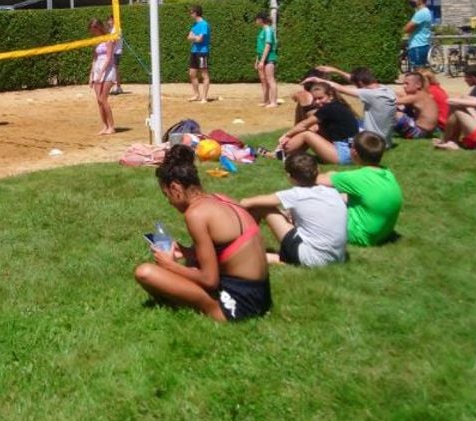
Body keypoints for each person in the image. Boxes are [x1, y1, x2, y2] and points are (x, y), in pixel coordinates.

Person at [134, 145, 270, 321]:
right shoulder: (221, 199)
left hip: (240, 304)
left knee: (144, 272)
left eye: (166, 195)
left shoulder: (195, 214)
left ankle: (189, 306)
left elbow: (209, 279)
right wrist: (186, 252)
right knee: (191, 264)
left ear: (176, 189)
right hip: (261, 295)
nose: (169, 202)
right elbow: (227, 252)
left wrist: (170, 265)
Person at [240, 153, 347, 267]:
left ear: (289, 176)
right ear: (318, 170)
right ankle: (277, 258)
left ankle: (241, 248)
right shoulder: (332, 191)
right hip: (338, 257)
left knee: (262, 207)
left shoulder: (295, 195)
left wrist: (234, 206)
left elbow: (247, 202)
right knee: (286, 215)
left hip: (310, 256)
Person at [317, 131, 403, 247]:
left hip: (361, 235)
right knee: (341, 193)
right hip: (383, 234)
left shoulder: (355, 177)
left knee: (323, 191)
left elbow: (316, 180)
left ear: (354, 152)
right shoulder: (387, 173)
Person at [276, 82, 359, 165]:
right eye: (315, 99)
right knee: (314, 128)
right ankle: (285, 153)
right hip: (351, 152)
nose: (317, 102)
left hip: (343, 155)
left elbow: (304, 124)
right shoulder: (338, 105)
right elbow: (314, 127)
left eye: (320, 98)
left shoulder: (328, 108)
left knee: (306, 134)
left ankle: (279, 154)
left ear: (330, 95)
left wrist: (287, 135)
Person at [316, 65, 397, 146]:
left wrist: (317, 80)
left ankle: (334, 145)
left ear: (360, 83)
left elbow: (340, 88)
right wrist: (335, 71)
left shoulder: (370, 94)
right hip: (385, 141)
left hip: (371, 141)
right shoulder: (386, 89)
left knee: (334, 120)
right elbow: (355, 79)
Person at [88, 18, 116, 136]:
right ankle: (105, 126)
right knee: (99, 100)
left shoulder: (108, 39)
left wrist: (101, 73)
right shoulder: (96, 40)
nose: (92, 32)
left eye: (94, 30)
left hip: (108, 69)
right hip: (98, 68)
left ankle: (111, 126)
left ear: (99, 28)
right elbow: (94, 58)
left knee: (103, 99)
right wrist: (92, 74)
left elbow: (109, 58)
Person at [394, 71, 439, 139]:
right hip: (428, 132)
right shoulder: (423, 94)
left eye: (407, 84)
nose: (404, 86)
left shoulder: (415, 97)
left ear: (418, 85)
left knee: (393, 112)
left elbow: (392, 102)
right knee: (405, 109)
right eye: (403, 83)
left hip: (420, 132)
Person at [186, 4, 210, 103]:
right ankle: (196, 95)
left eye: (191, 13)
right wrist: (195, 37)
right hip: (194, 51)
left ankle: (204, 97)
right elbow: (188, 37)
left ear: (196, 13)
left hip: (202, 52)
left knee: (204, 74)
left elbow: (200, 39)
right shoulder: (194, 25)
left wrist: (194, 37)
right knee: (192, 74)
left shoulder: (204, 24)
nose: (190, 14)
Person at [403, 0, 433, 69]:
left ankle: (433, 81)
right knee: (421, 71)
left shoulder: (421, 13)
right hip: (422, 45)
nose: (411, 1)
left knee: (419, 72)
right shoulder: (426, 11)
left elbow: (407, 29)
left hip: (417, 46)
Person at [254, 12, 278, 108]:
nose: (255, 21)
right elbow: (260, 47)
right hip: (262, 59)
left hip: (269, 58)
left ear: (260, 20)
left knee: (270, 80)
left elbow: (268, 45)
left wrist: (263, 61)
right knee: (264, 80)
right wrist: (257, 60)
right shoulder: (262, 31)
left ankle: (274, 102)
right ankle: (266, 101)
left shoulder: (268, 30)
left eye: (256, 19)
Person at [107, 14, 124, 95]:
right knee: (114, 69)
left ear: (114, 20)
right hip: (113, 52)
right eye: (108, 20)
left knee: (115, 70)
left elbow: (113, 41)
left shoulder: (117, 29)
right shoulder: (112, 30)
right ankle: (118, 87)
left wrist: (108, 51)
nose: (108, 22)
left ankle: (117, 87)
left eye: (110, 20)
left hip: (116, 52)